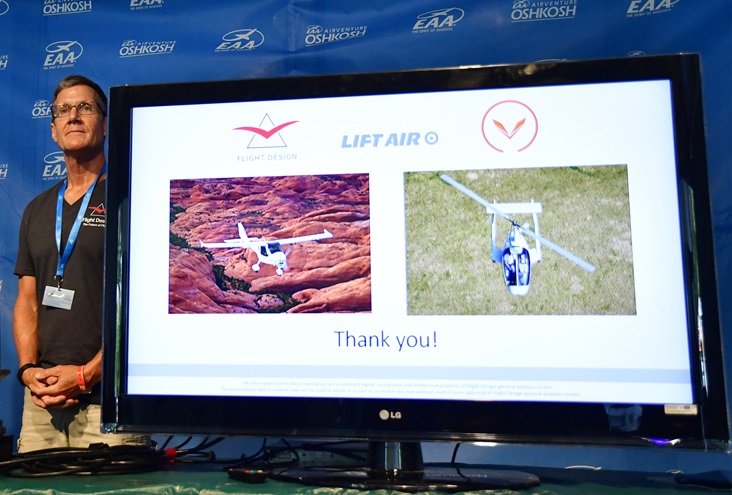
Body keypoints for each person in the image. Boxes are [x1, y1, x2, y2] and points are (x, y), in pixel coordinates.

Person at [13, 75, 147, 452]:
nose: (73, 116)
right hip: (42, 406)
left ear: (105, 125)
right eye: (63, 110)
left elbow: (146, 306)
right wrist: (28, 372)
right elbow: (27, 300)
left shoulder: (131, 196)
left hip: (112, 407)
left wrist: (87, 375)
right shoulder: (37, 210)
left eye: (85, 108)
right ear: (54, 131)